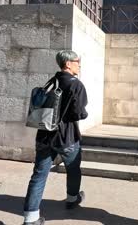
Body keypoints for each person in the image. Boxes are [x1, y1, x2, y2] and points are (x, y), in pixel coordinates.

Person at [23, 50, 88, 225]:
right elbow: (79, 113)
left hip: (44, 135)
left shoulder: (51, 82)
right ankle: (72, 199)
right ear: (68, 64)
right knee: (73, 168)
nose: (79, 64)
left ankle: (30, 218)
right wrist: (84, 113)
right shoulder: (76, 85)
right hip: (66, 137)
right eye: (77, 61)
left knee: (39, 175)